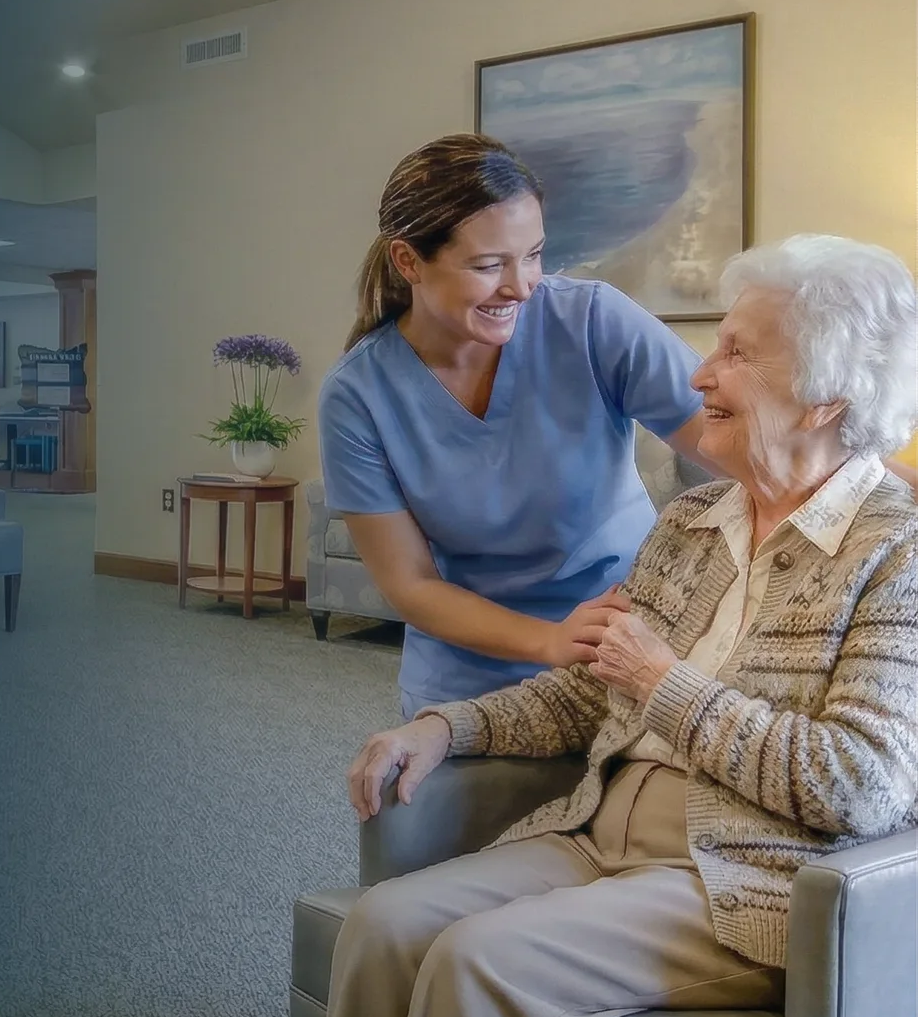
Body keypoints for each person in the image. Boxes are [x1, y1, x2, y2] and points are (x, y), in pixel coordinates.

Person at [307, 233, 918, 1017]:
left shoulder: (893, 554)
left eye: (737, 352)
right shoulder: (697, 518)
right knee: (383, 926)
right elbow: (596, 686)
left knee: (480, 959)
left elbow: (859, 781)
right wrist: (445, 726)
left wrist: (668, 682)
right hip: (601, 833)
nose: (701, 375)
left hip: (746, 880)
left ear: (828, 396)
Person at [319, 135, 917, 720]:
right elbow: (411, 585)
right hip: (469, 667)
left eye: (533, 255)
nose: (522, 285)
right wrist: (549, 641)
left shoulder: (591, 320)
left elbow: (753, 449)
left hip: (627, 636)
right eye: (487, 265)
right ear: (407, 261)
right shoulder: (359, 395)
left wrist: (896, 490)